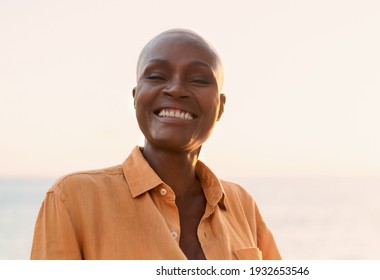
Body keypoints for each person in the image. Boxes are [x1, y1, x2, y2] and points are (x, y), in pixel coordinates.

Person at [30, 29, 281, 260]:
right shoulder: (72, 198)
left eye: (199, 80)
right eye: (157, 76)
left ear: (221, 106)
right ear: (136, 97)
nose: (175, 89)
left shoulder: (242, 204)